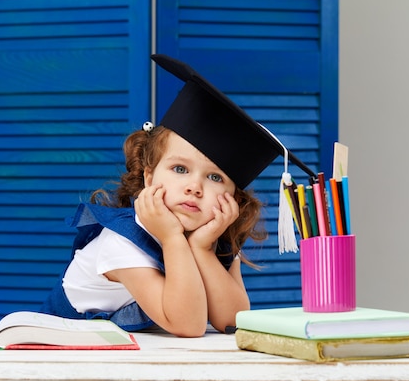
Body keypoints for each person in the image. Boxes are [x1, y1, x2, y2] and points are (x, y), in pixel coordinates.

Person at [39, 54, 315, 337]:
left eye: (215, 177)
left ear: (233, 198)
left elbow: (232, 320)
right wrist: (172, 239)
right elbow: (188, 325)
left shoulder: (210, 234)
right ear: (149, 177)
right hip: (62, 348)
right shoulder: (121, 240)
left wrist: (202, 249)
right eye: (180, 169)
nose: (195, 187)